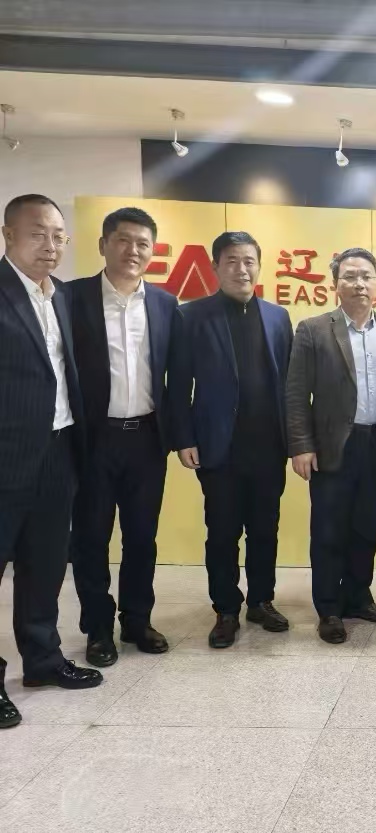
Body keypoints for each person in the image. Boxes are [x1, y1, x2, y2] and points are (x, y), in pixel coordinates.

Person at [0, 194, 102, 729]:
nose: (51, 245)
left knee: (44, 565)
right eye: (38, 233)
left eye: (59, 236)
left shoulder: (61, 296)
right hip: (5, 457)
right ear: (8, 235)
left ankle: (42, 660)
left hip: (58, 450)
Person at [67, 207, 181, 668]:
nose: (133, 250)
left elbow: (177, 377)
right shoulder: (71, 297)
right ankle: (98, 628)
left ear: (152, 251)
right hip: (93, 440)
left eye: (142, 243)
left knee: (141, 537)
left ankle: (137, 620)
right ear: (103, 245)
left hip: (147, 439)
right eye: (123, 240)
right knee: (91, 538)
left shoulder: (166, 305)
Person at [169, 231, 294, 649]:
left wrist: (295, 440)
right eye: (232, 261)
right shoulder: (191, 316)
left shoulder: (278, 317)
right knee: (222, 533)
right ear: (215, 267)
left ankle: (261, 601)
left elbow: (290, 385)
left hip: (269, 446)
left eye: (248, 261)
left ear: (259, 266)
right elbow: (178, 384)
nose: (242, 269)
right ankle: (226, 609)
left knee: (265, 530)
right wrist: (184, 437)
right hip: (218, 447)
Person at [285, 247, 376, 645]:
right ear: (335, 284)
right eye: (350, 276)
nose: (359, 283)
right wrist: (301, 446)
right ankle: (329, 608)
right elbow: (296, 393)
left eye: (366, 276)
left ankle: (358, 597)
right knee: (329, 530)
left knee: (367, 528)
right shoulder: (313, 329)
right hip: (332, 447)